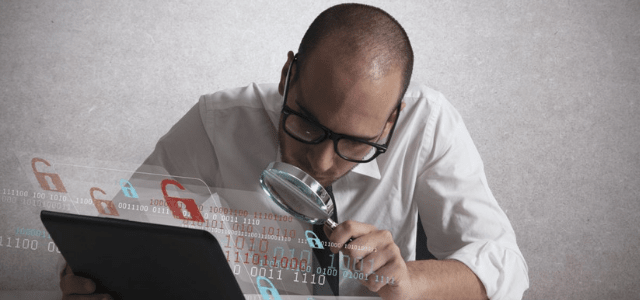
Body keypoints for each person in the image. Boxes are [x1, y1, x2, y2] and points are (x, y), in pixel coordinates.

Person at [59, 3, 528, 300]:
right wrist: (86, 277)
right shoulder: (218, 121)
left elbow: (506, 264)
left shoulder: (430, 123)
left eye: (357, 142)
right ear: (288, 77)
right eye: (307, 123)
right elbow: (116, 228)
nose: (323, 164)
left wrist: (411, 282)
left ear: (392, 120)